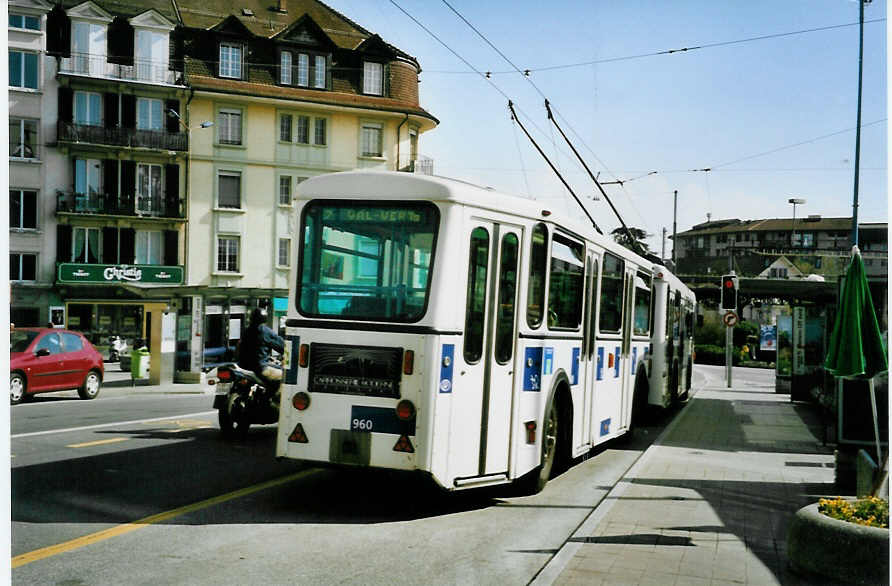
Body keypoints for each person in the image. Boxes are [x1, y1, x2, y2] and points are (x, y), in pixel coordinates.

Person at [238, 307, 284, 383]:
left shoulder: (247, 330)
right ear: (264, 318)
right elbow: (281, 346)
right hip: (260, 368)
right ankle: (273, 394)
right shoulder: (264, 331)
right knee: (284, 374)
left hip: (243, 366)